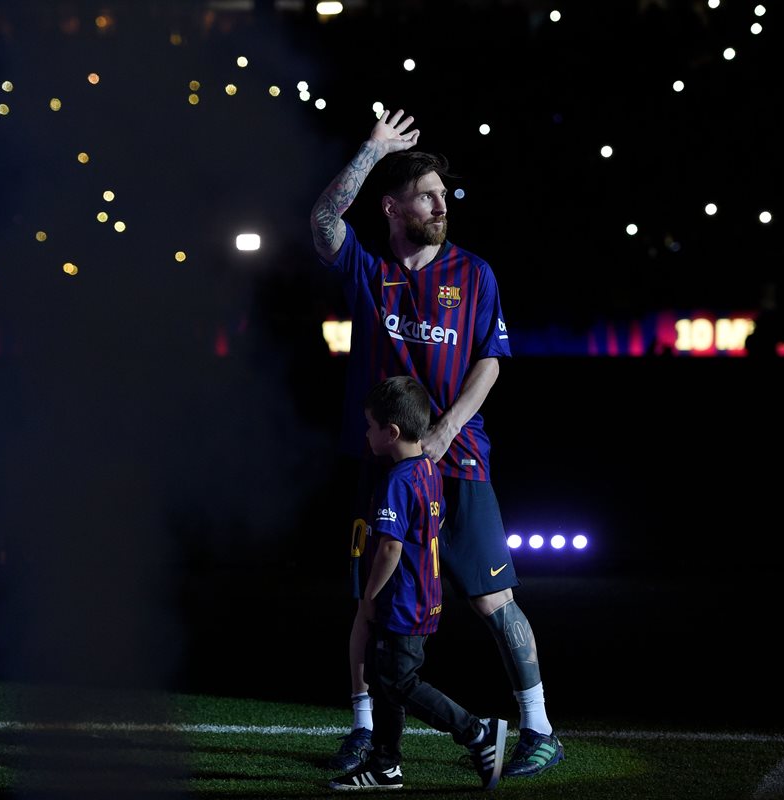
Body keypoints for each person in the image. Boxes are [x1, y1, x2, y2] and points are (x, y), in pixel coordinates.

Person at [311, 107, 564, 779]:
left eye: (444, 198)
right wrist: (370, 153)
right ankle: (365, 735)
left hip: (458, 459)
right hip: (385, 465)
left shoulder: (475, 275)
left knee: (490, 600)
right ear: (393, 208)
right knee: (372, 598)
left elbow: (492, 360)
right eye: (425, 197)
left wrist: (448, 428)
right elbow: (323, 224)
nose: (440, 206)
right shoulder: (368, 272)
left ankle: (538, 727)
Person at [329, 375, 507, 791]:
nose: (367, 434)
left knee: (398, 682)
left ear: (391, 433)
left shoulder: (395, 481)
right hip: (425, 596)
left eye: (370, 426)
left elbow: (390, 549)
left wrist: (369, 597)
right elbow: (436, 518)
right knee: (387, 679)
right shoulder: (429, 469)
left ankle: (477, 734)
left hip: (403, 602)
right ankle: (385, 765)